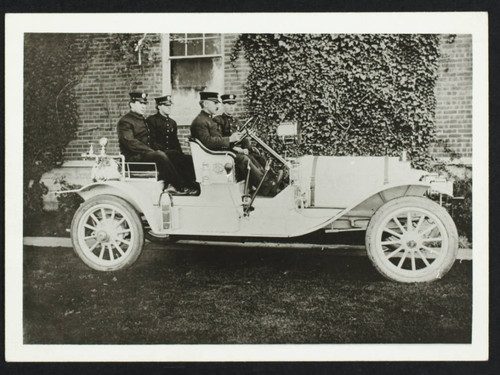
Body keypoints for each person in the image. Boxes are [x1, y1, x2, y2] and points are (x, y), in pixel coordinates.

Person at [190, 92, 280, 196]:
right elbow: (208, 142)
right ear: (205, 104)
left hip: (220, 152)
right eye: (215, 103)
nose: (217, 106)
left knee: (254, 157)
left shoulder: (207, 119)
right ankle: (265, 186)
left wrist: (242, 144)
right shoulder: (201, 121)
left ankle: (269, 182)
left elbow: (216, 139)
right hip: (216, 156)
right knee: (244, 159)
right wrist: (230, 140)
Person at [116, 92, 190, 194]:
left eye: (145, 104)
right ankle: (176, 186)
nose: (143, 106)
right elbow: (131, 143)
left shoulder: (143, 120)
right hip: (133, 159)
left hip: (145, 155)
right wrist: (151, 151)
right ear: (131, 104)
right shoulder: (125, 121)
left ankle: (190, 184)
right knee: (160, 156)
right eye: (140, 103)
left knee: (175, 154)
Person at [146, 95, 197, 192]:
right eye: (166, 105)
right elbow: (152, 141)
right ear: (159, 106)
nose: (169, 108)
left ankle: (192, 185)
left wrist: (179, 153)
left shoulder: (172, 122)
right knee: (175, 157)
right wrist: (166, 151)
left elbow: (175, 141)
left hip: (172, 152)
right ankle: (180, 186)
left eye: (170, 105)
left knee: (188, 159)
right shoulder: (152, 120)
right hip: (160, 153)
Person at [213, 93, 267, 168]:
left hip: (240, 151)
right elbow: (220, 140)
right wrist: (237, 149)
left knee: (260, 158)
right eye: (229, 104)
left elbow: (244, 138)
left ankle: (270, 177)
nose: (231, 107)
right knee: (249, 159)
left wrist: (247, 147)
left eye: (233, 104)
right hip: (229, 152)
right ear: (223, 105)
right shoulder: (218, 120)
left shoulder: (237, 121)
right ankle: (262, 178)